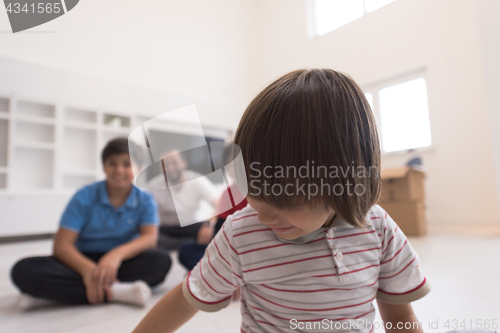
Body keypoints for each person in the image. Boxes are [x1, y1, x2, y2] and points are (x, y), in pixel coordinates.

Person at [132, 69, 431, 333]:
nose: (263, 216)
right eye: (255, 193)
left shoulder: (378, 229)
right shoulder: (241, 232)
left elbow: (400, 316)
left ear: (344, 183)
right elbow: (185, 300)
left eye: (287, 201)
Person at [10, 138, 171, 308]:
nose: (119, 170)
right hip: (81, 259)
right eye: (112, 163)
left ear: (139, 168)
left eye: (127, 164)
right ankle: (117, 291)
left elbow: (149, 239)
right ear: (104, 167)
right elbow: (62, 245)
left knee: (161, 261)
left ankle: (50, 294)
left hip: (120, 261)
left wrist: (115, 255)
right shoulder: (84, 196)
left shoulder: (145, 200)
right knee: (22, 270)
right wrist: (88, 271)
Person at [177, 145, 248, 270]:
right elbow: (220, 232)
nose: (235, 170)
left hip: (251, 248)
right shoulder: (228, 193)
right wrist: (209, 224)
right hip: (230, 249)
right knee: (186, 250)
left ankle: (213, 271)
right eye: (231, 166)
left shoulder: (263, 192)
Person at [147, 149, 219, 251]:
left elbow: (219, 204)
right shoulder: (153, 186)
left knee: (215, 231)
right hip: (165, 228)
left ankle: (183, 245)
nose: (170, 168)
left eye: (174, 163)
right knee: (149, 236)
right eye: (166, 164)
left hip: (192, 226)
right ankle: (188, 245)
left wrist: (209, 224)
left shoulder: (197, 181)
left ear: (184, 163)